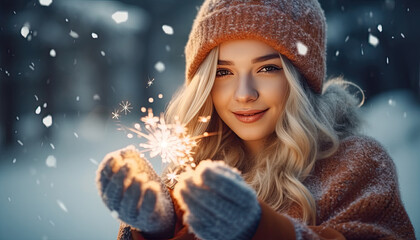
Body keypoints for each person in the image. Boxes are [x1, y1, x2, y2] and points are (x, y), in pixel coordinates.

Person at [96, 0, 415, 239]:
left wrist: (260, 229)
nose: (244, 93)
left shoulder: (358, 164)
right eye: (223, 72)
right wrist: (156, 229)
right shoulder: (187, 174)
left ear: (301, 78)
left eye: (267, 68)